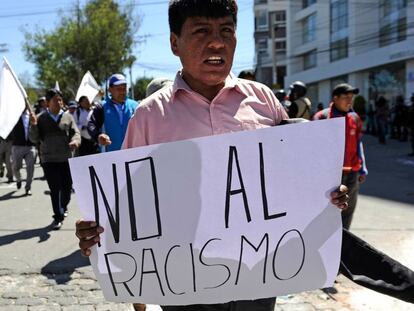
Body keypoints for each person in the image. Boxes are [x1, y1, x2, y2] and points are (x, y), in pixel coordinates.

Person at [75, 1, 348, 310]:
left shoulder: (264, 101)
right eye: (202, 30)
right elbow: (128, 204)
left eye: (226, 30)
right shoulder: (149, 117)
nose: (217, 41)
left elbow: (291, 179)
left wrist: (324, 194)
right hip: (181, 281)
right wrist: (99, 232)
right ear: (175, 43)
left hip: (259, 274)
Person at [313, 83, 368, 230]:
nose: (349, 101)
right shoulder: (322, 117)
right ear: (335, 98)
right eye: (345, 97)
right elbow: (314, 148)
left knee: (348, 211)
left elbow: (358, 143)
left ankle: (343, 244)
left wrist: (363, 169)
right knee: (327, 212)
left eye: (351, 97)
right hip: (332, 175)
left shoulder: (354, 118)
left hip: (352, 173)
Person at [29, 88, 81, 230]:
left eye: (60, 99)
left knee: (67, 188)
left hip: (66, 158)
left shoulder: (68, 117)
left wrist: (75, 141)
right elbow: (34, 138)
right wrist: (33, 125)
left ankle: (63, 206)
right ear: (47, 102)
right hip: (48, 159)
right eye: (55, 100)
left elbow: (76, 133)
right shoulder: (40, 118)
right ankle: (57, 216)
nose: (58, 102)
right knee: (55, 188)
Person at [87, 74, 139, 152]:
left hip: (134, 153)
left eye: (124, 88)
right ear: (110, 90)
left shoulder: (135, 106)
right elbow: (91, 125)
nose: (122, 92)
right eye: (118, 89)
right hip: (111, 156)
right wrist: (98, 136)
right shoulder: (101, 107)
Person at [9, 108, 37, 195]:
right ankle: (18, 179)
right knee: (16, 167)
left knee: (30, 168)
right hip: (17, 146)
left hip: (30, 146)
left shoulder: (32, 115)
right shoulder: (14, 116)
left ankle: (28, 187)